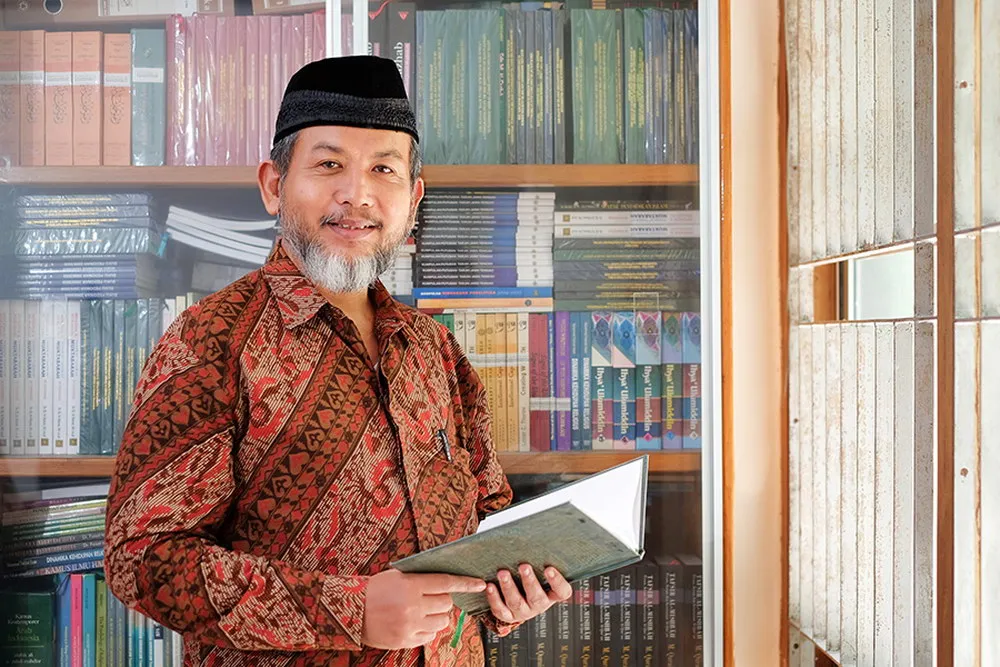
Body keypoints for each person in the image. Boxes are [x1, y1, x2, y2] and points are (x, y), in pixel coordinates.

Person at [103, 56, 573, 666]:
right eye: (329, 165)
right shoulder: (210, 341)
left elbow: (487, 521)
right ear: (274, 184)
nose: (358, 194)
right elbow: (142, 557)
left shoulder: (436, 351)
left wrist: (510, 592)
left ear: (413, 199)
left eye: (384, 169)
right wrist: (350, 611)